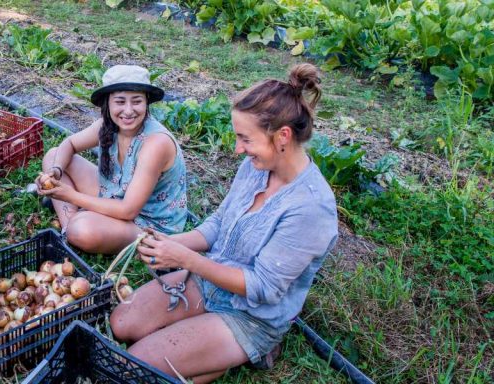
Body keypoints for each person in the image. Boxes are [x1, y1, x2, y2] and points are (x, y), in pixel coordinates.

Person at [109, 64, 338, 383]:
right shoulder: (256, 166)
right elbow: (218, 224)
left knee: (136, 363)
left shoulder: (310, 208)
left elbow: (263, 288)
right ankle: (205, 352)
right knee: (122, 324)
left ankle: (228, 352)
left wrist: (186, 260)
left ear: (282, 136)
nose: (238, 149)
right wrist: (171, 242)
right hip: (211, 282)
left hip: (250, 315)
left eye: (245, 139)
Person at [35, 65, 188, 254]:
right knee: (53, 156)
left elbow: (128, 210)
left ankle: (78, 225)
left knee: (83, 229)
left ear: (147, 103)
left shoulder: (156, 143)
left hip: (147, 222)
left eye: (137, 101)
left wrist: (69, 195)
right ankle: (69, 229)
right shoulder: (108, 125)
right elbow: (70, 144)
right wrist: (56, 172)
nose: (129, 110)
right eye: (120, 102)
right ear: (108, 103)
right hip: (116, 193)